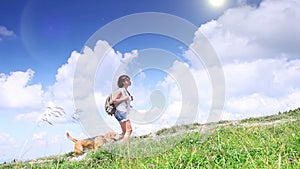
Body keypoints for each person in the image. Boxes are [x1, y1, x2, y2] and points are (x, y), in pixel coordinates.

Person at [111, 75, 133, 142]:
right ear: (123, 82)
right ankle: (125, 147)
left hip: (122, 111)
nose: (130, 81)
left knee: (124, 132)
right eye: (128, 80)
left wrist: (129, 102)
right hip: (121, 112)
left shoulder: (126, 91)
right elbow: (113, 100)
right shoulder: (120, 90)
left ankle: (113, 141)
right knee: (129, 130)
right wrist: (126, 98)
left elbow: (123, 102)